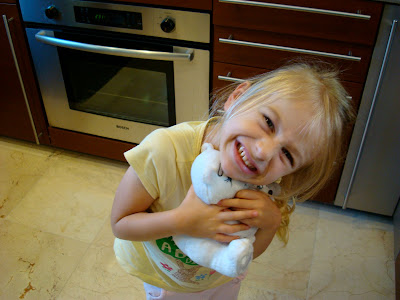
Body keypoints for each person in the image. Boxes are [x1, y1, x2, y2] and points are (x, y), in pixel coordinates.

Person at [111, 62, 354, 299]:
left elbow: (247, 251)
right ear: (236, 97)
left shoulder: (265, 187)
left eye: (288, 155)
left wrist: (270, 224)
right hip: (169, 282)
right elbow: (120, 223)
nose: (263, 152)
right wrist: (182, 221)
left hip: (222, 279)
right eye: (268, 122)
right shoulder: (165, 151)